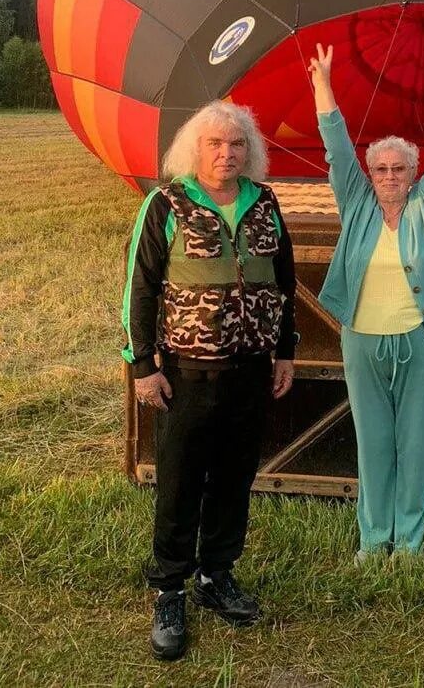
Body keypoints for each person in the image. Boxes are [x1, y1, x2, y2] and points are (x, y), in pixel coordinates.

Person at [121, 100, 298, 661]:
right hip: (186, 373)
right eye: (216, 144)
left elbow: (284, 281)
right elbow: (140, 287)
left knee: (232, 476)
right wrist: (142, 365)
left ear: (251, 151)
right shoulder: (166, 202)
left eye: (237, 144)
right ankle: (171, 588)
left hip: (250, 370)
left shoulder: (265, 203)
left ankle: (216, 575)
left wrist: (285, 352)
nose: (227, 154)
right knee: (179, 479)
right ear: (194, 150)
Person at [308, 43, 424, 561]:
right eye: (382, 169)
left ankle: (408, 542)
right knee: (372, 444)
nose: (389, 176)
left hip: (419, 341)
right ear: (370, 174)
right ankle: (374, 538)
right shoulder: (357, 203)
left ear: (414, 174)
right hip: (362, 340)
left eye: (399, 169)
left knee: (413, 446)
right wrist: (323, 83)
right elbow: (337, 149)